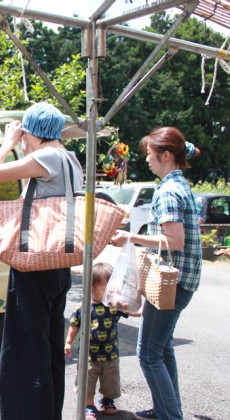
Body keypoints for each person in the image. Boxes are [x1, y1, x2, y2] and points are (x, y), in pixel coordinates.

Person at [0, 102, 84, 419]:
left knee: (25, 351)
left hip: (34, 263)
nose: (22, 138)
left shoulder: (47, 156)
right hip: (58, 263)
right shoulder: (71, 160)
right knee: (48, 347)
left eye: (24, 131)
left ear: (32, 131)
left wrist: (7, 143)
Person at [110, 127, 202, 420]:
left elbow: (174, 241)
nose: (147, 160)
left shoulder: (169, 191)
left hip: (172, 283)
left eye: (150, 154)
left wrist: (131, 238)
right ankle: (166, 408)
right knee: (162, 349)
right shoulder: (178, 185)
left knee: (148, 354)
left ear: (165, 155)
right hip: (183, 280)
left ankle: (170, 415)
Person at [65, 262, 135, 420]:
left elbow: (132, 311)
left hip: (110, 354)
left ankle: (107, 399)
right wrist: (68, 341)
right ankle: (88, 404)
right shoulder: (82, 307)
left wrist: (131, 304)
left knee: (110, 380)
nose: (109, 292)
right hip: (89, 356)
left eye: (111, 288)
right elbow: (74, 325)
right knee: (87, 383)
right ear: (91, 287)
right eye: (105, 289)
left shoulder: (112, 306)